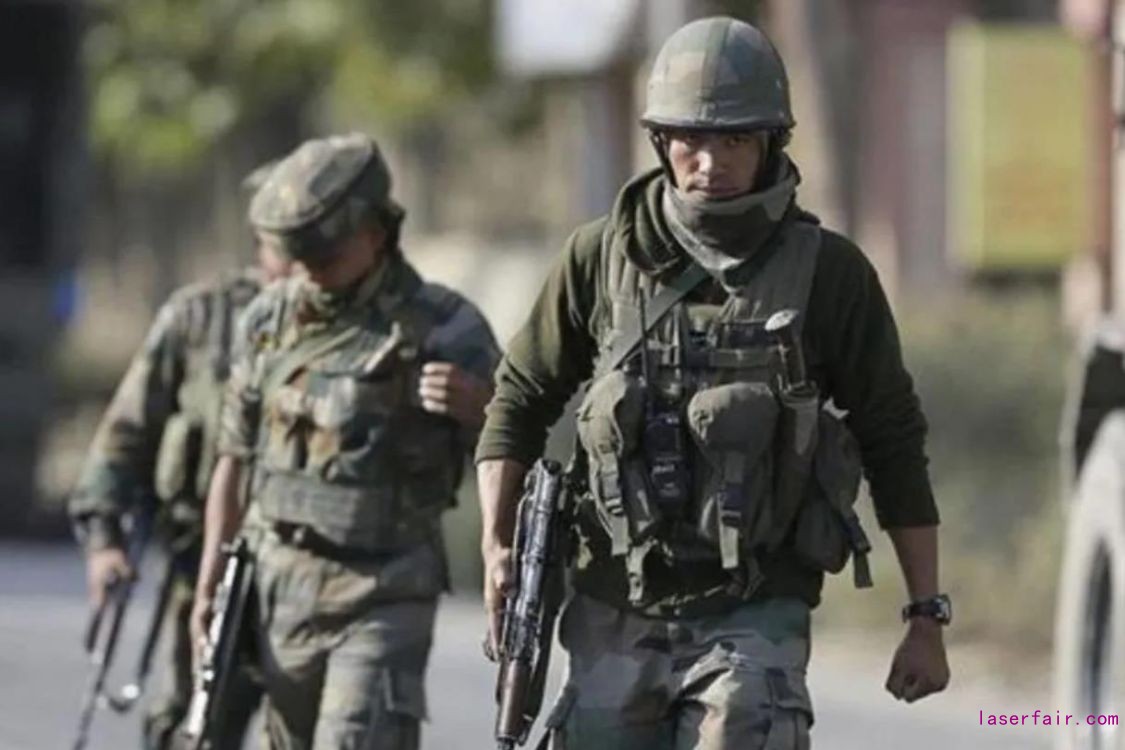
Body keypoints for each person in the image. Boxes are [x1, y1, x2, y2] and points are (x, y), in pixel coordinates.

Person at [476, 16, 951, 749]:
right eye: (690, 139)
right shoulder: (598, 257)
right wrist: (495, 543)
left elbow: (892, 439)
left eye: (735, 140)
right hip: (613, 604)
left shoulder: (829, 274)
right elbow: (518, 400)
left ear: (771, 143)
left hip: (755, 605)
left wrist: (925, 613)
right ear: (660, 141)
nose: (709, 162)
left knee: (745, 728)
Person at [190, 132, 500, 749]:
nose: (311, 272)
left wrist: (483, 408)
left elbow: (511, 456)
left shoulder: (446, 327)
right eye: (301, 258)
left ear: (376, 234)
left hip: (384, 593)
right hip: (280, 589)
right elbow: (235, 458)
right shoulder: (268, 321)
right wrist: (209, 583)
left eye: (327, 257)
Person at [69, 161, 289, 749]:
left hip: (315, 579)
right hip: (205, 570)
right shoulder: (200, 316)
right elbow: (126, 433)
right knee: (189, 729)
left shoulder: (360, 322)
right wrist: (105, 542)